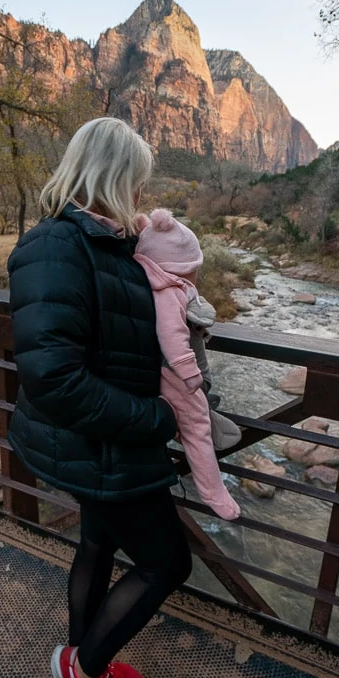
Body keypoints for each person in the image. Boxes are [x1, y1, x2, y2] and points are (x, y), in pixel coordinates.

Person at [6, 117, 192, 678]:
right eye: (135, 181)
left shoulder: (106, 244)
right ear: (112, 176)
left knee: (97, 544)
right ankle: (84, 672)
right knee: (167, 564)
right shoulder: (55, 245)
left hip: (104, 443)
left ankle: (86, 660)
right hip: (107, 443)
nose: (139, 196)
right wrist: (157, 418)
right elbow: (53, 377)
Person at [134, 209, 241, 521]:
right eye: (195, 267)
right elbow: (172, 336)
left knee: (193, 412)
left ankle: (205, 414)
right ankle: (214, 492)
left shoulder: (154, 280)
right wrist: (190, 375)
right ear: (181, 266)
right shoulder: (168, 292)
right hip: (173, 371)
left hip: (157, 371)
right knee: (195, 426)